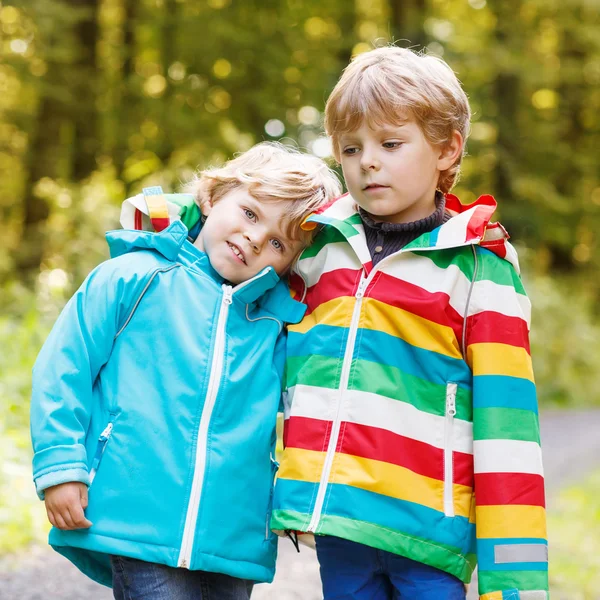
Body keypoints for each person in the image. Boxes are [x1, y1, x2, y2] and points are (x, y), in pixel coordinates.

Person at [271, 46, 549, 600]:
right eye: (350, 149)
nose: (367, 161)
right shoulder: (319, 248)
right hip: (339, 520)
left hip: (430, 532)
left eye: (390, 144)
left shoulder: (476, 270)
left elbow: (508, 430)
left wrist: (515, 587)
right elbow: (236, 231)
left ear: (448, 149)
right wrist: (167, 219)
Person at [30, 142, 341, 599]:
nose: (256, 239)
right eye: (251, 214)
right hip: (138, 517)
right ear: (213, 197)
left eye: (278, 242)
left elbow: (311, 413)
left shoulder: (280, 325)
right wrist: (61, 465)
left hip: (233, 535)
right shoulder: (133, 276)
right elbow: (64, 367)